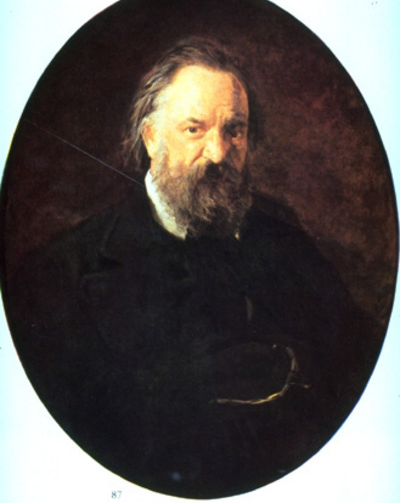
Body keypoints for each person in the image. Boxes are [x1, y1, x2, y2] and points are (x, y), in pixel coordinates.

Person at [5, 38, 378, 499]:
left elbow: (360, 363)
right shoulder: (62, 273)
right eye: (194, 129)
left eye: (234, 131)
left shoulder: (283, 237)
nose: (218, 153)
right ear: (151, 137)